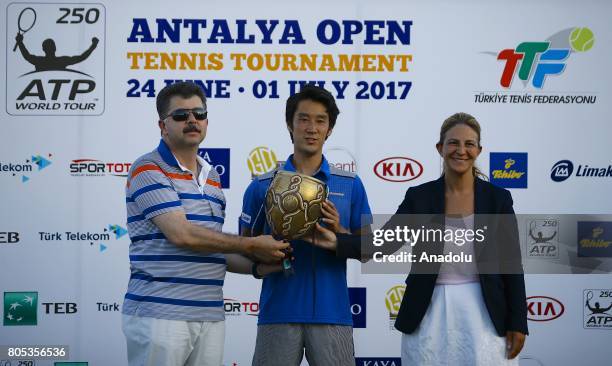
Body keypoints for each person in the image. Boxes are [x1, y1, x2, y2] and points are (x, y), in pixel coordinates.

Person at [311, 112, 528, 365]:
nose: (461, 150)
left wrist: (518, 321)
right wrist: (339, 241)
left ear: (479, 150)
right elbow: (385, 243)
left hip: (487, 315)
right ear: (440, 148)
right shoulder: (420, 197)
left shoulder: (498, 199)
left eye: (469, 144)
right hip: (428, 311)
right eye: (453, 143)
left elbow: (512, 264)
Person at [121, 81, 288, 366]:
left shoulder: (211, 177)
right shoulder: (148, 167)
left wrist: (261, 265)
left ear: (207, 121)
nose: (191, 121)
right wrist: (251, 244)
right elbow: (183, 235)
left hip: (210, 315)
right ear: (162, 126)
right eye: (180, 116)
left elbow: (214, 249)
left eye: (198, 114)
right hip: (161, 314)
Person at [239, 85, 372, 366]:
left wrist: (340, 234)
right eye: (303, 119)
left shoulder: (350, 185)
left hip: (332, 314)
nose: (312, 128)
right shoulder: (263, 185)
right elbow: (244, 248)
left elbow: (369, 249)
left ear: (330, 129)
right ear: (290, 124)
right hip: (278, 312)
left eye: (320, 120)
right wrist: (267, 251)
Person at [15, 33, 99, 73]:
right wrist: (93, 46)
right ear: (55, 48)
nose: (51, 48)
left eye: (51, 46)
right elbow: (81, 57)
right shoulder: (61, 61)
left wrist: (20, 42)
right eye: (50, 46)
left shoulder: (39, 61)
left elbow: (27, 56)